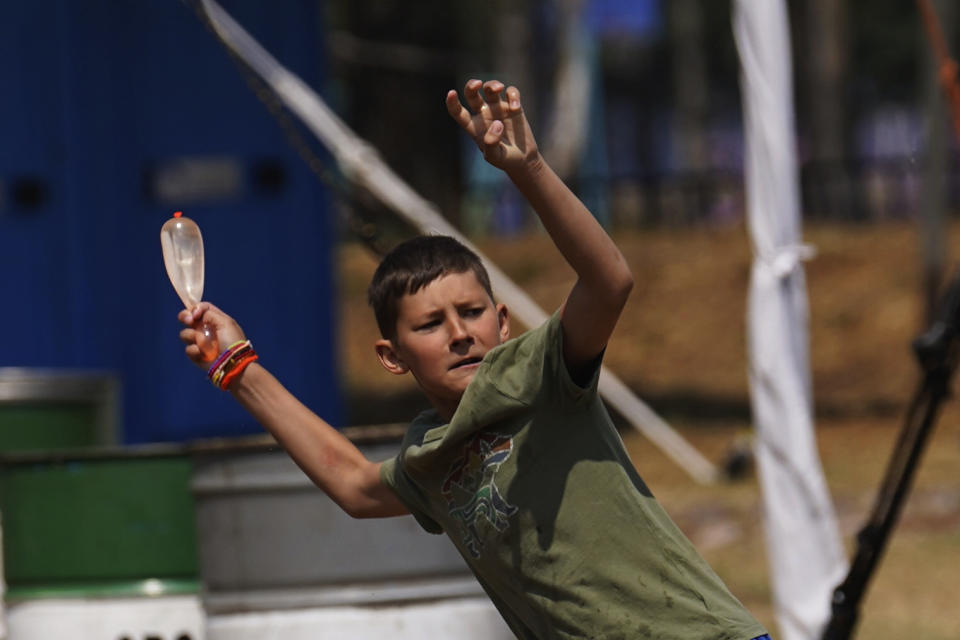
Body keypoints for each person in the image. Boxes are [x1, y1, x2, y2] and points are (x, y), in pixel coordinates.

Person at [178, 79, 769, 640]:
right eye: (431, 324)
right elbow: (354, 485)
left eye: (472, 312)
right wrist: (238, 366)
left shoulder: (541, 374)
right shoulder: (429, 458)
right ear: (392, 357)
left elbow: (609, 282)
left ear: (503, 321)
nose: (460, 334)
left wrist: (527, 169)